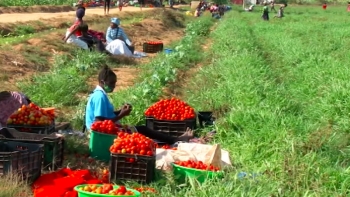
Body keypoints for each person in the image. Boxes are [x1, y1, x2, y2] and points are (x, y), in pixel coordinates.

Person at [85, 66, 194, 144]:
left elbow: (105, 116)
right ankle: (174, 139)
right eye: (111, 83)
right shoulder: (99, 96)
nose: (114, 86)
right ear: (103, 82)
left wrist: (120, 111)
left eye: (114, 83)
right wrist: (121, 115)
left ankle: (173, 139)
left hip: (103, 130)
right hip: (99, 134)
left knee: (141, 131)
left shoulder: (100, 94)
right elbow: (99, 123)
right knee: (142, 130)